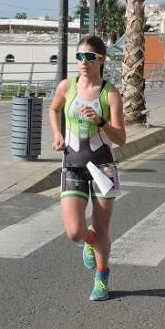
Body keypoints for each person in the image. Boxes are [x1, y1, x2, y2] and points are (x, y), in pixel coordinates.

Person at [49, 35, 127, 301]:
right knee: (74, 232)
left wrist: (102, 121)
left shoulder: (110, 93)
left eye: (89, 57)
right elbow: (53, 109)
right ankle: (90, 242)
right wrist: (58, 135)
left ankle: (102, 278)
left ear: (101, 60)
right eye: (79, 56)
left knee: (102, 227)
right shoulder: (66, 86)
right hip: (72, 165)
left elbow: (121, 138)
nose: (83, 62)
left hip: (103, 167)